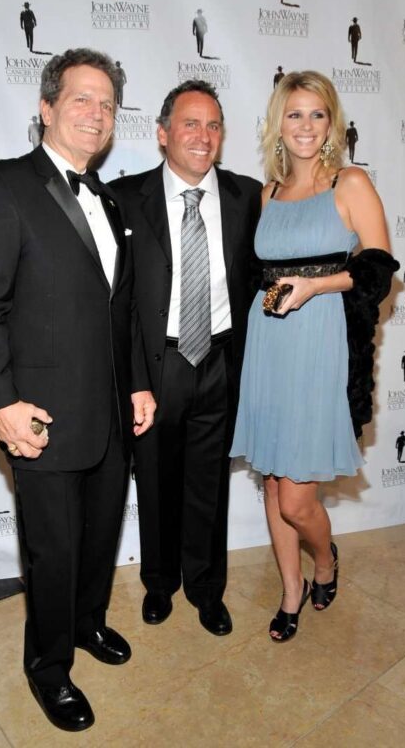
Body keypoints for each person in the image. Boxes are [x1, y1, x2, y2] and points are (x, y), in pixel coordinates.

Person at [0, 47, 156, 732]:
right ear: (46, 107)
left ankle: (86, 624)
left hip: (108, 415)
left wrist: (136, 385)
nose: (96, 113)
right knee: (53, 549)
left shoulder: (108, 197)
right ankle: (48, 668)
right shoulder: (3, 185)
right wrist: (0, 404)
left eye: (106, 104)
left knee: (99, 539)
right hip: (39, 414)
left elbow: (120, 309)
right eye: (81, 99)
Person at [231, 71, 398, 643]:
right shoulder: (267, 193)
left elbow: (377, 270)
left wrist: (315, 286)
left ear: (332, 122)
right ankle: (290, 589)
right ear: (279, 122)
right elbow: (258, 274)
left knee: (299, 498)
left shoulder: (349, 182)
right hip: (269, 345)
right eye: (294, 114)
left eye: (316, 114)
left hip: (321, 342)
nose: (305, 125)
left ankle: (324, 560)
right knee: (275, 485)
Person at [110, 80, 262, 636]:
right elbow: (119, 303)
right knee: (153, 481)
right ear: (162, 133)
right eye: (191, 124)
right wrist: (132, 379)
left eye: (214, 125)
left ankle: (206, 588)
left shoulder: (249, 197)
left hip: (221, 361)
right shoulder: (125, 197)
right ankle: (158, 583)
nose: (203, 136)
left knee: (209, 484)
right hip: (159, 366)